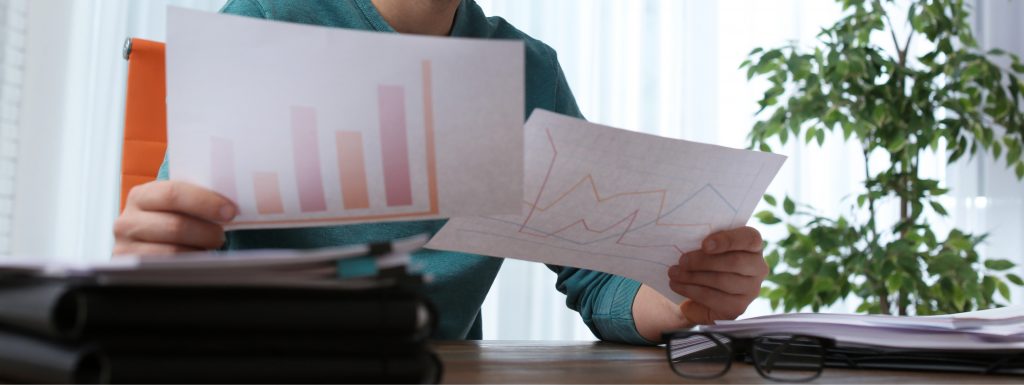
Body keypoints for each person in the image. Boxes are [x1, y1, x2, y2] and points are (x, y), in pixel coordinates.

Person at [113, 0, 768, 344]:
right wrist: (146, 259)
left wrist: (680, 298)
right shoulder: (265, 20)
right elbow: (180, 250)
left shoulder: (527, 70)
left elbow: (596, 275)